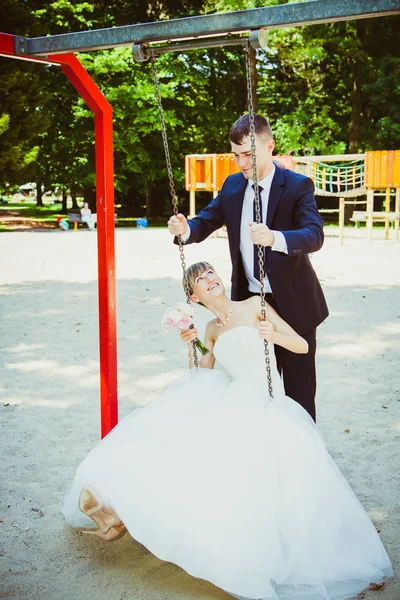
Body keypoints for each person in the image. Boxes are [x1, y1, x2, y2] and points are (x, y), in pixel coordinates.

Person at [62, 262, 392, 600]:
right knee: (179, 443)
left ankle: (119, 520)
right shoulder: (210, 329)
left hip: (264, 402)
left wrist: (273, 335)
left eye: (211, 274)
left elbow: (301, 346)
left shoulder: (254, 305)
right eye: (201, 280)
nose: (211, 280)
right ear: (194, 295)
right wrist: (193, 344)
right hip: (231, 397)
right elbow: (203, 370)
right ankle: (117, 513)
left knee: (239, 464)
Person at [168, 114, 328, 422]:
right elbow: (206, 220)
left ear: (270, 147)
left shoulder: (297, 186)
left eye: (248, 154)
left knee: (297, 387)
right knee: (252, 383)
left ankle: (304, 451)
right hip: (247, 301)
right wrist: (184, 230)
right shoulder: (231, 186)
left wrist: (275, 238)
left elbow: (314, 234)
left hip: (294, 300)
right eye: (236, 155)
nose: (242, 163)